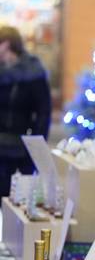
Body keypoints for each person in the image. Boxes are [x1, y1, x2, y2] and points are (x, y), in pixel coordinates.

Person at [0, 25, 51, 197]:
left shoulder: (33, 72)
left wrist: (35, 147)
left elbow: (44, 113)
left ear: (6, 45)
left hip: (20, 149)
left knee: (15, 202)